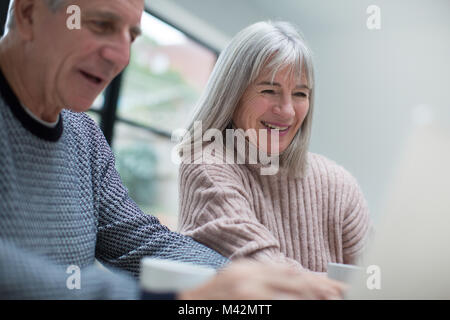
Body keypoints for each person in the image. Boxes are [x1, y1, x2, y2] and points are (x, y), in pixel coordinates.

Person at [0, 0, 345, 299]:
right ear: (29, 14)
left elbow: (140, 240)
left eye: (131, 36)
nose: (121, 56)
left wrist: (243, 281)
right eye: (101, 24)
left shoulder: (83, 136)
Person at [177, 21, 372, 273]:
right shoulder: (207, 166)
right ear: (232, 95)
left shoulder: (339, 184)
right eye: (269, 90)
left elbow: (379, 280)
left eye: (300, 94)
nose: (288, 111)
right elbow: (270, 277)